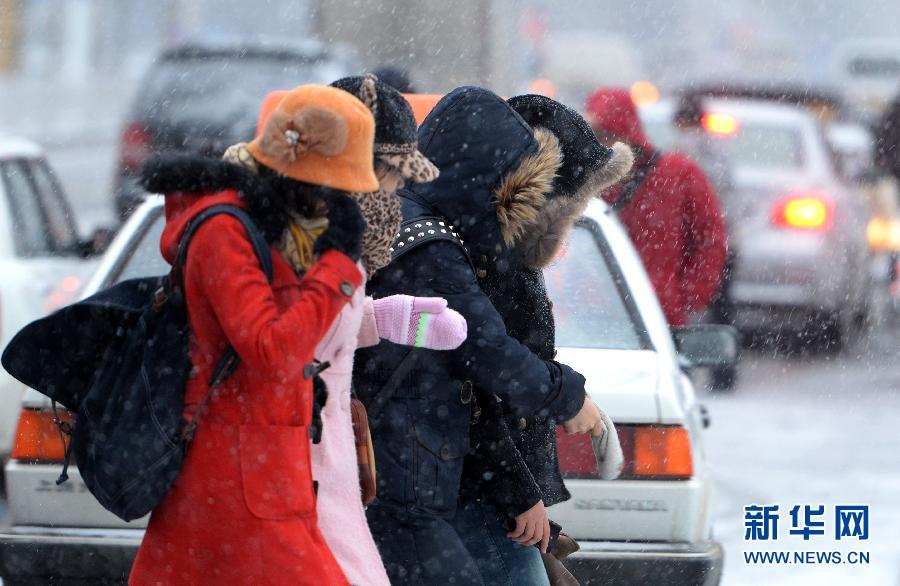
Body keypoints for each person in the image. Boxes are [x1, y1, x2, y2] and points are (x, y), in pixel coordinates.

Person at [353, 86, 608, 585]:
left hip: (419, 470)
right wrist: (566, 396)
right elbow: (484, 355)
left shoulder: (424, 232)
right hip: (410, 474)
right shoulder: (433, 247)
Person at [129, 85, 376, 585]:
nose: (339, 201)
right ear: (302, 174)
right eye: (334, 186)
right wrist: (338, 266)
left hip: (262, 472)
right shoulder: (225, 231)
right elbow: (274, 350)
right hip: (238, 477)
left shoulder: (268, 227)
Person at [225, 75, 465, 586]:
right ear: (354, 164)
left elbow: (316, 329)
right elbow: (277, 345)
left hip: (318, 457)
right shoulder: (279, 239)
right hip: (282, 460)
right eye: (394, 175)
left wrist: (384, 318)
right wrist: (342, 273)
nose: (400, 191)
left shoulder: (325, 233)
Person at [454, 93, 631, 586]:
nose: (573, 217)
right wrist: (516, 493)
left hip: (492, 496)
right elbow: (479, 391)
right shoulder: (488, 263)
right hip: (485, 499)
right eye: (572, 201)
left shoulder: (509, 258)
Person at [585, 87, 728, 328]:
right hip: (591, 318)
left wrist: (687, 298)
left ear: (627, 132)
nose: (602, 143)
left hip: (660, 317)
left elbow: (710, 240)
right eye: (595, 135)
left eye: (607, 133)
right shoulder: (583, 179)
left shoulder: (680, 174)